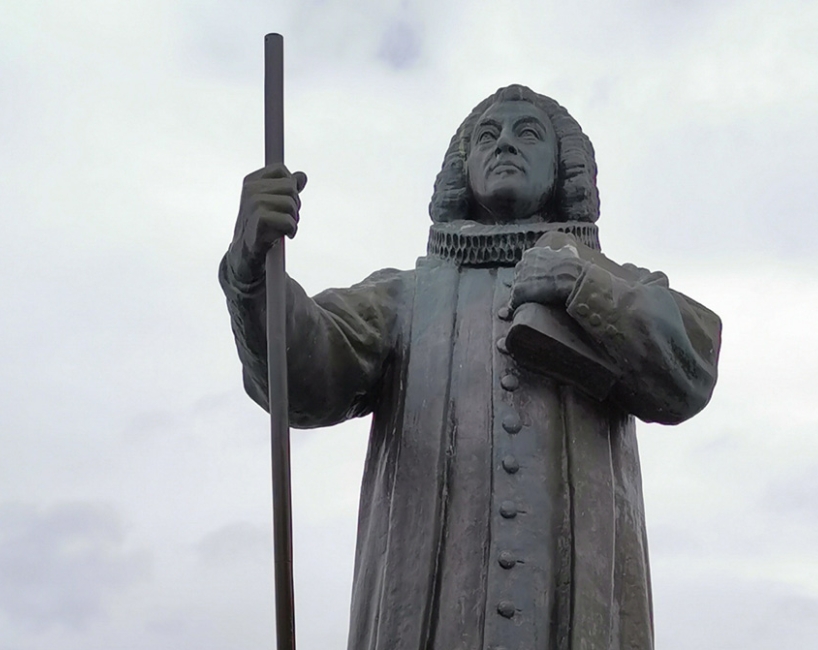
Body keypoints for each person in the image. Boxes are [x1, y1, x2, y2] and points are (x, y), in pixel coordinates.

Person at [220, 84, 721, 650]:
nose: (504, 143)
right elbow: (306, 372)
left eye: (527, 133)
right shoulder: (406, 299)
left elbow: (691, 369)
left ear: (564, 169)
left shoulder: (613, 284)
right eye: (487, 135)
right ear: (464, 168)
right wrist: (252, 270)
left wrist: (583, 286)